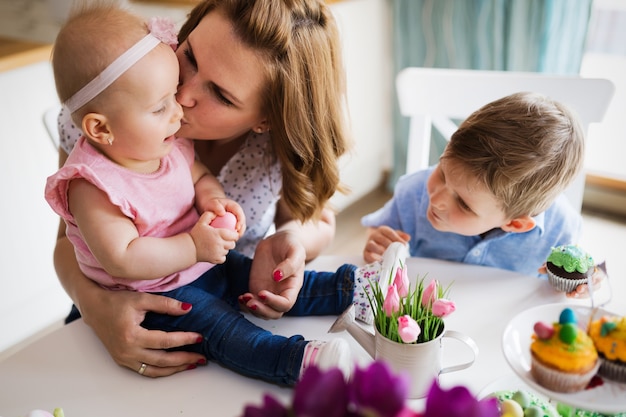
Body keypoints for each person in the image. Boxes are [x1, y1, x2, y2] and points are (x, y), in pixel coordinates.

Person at [47, 3, 376, 386]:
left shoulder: (274, 143)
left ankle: (366, 286)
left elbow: (314, 216)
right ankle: (296, 361)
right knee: (226, 333)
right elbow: (66, 243)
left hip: (225, 279)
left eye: (220, 94)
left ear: (264, 120)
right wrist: (96, 307)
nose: (181, 96)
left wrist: (290, 239)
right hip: (128, 310)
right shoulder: (106, 122)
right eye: (188, 55)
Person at [361, 92, 596, 295]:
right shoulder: (412, 193)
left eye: (463, 204)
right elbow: (378, 235)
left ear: (515, 223)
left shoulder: (560, 230)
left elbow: (561, 284)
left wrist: (583, 283)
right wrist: (377, 245)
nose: (436, 199)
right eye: (442, 173)